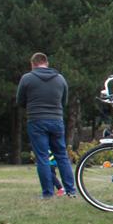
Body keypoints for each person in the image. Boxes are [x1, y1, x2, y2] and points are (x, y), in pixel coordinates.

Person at [16, 52, 77, 199]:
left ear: (32, 64)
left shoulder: (27, 78)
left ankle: (48, 193)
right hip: (56, 120)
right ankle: (71, 190)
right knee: (62, 156)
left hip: (36, 120)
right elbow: (64, 101)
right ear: (47, 63)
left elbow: (20, 101)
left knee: (42, 157)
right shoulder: (60, 79)